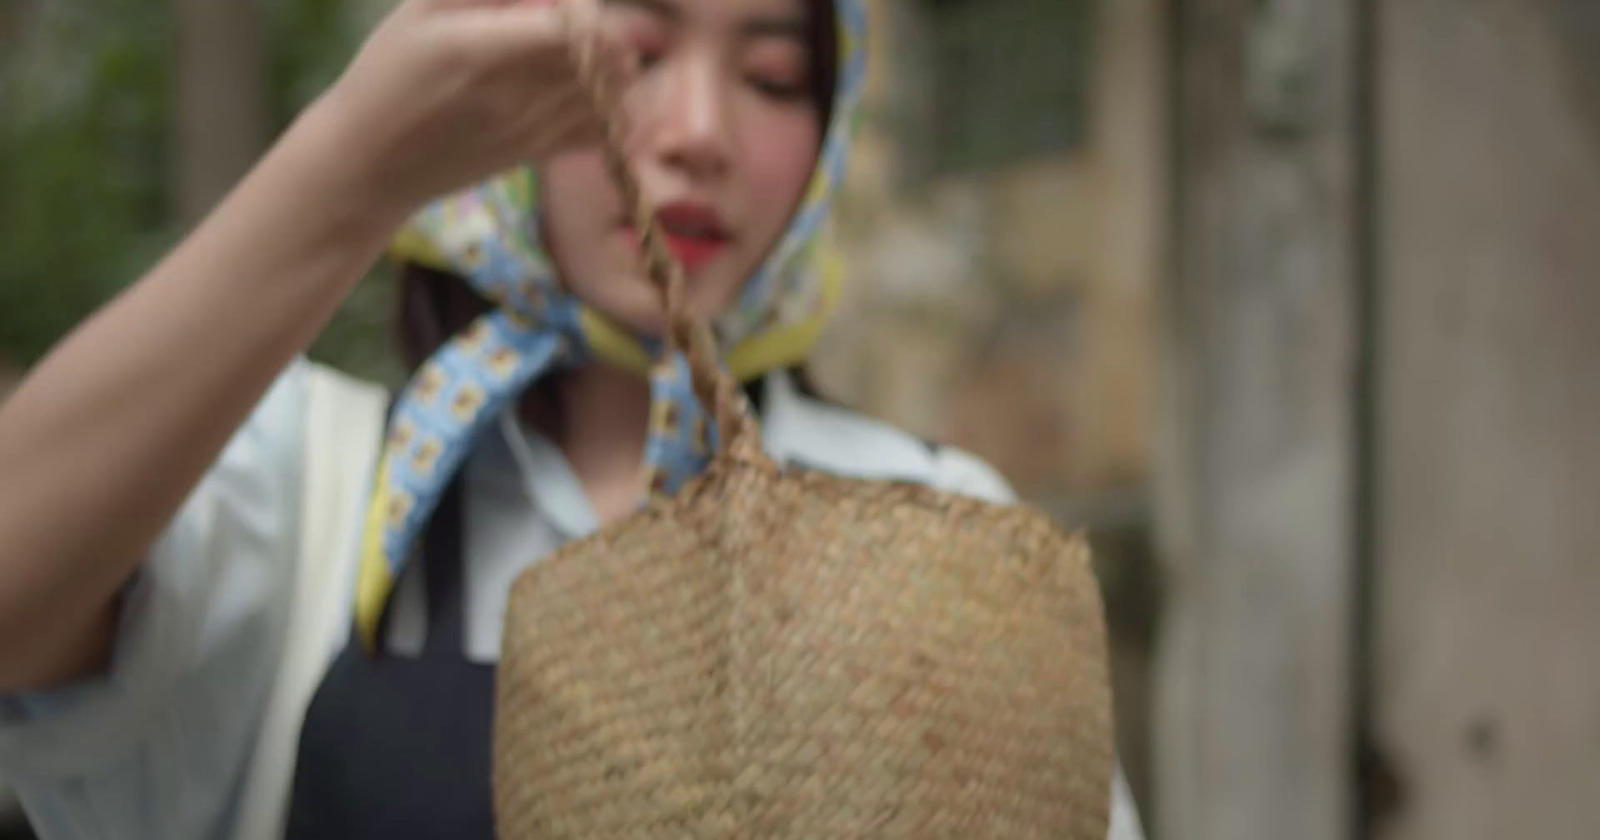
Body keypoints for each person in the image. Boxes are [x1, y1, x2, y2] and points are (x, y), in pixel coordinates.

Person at [0, 0, 1147, 837]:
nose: (699, 129)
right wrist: (358, 167)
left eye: (773, 76)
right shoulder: (299, 495)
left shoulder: (948, 534)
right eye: (633, 53)